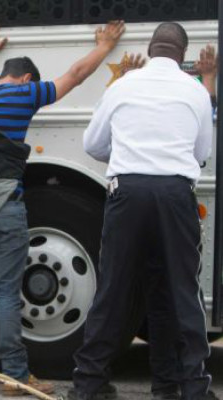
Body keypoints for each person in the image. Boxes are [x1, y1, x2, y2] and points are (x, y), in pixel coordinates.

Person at [0, 22, 124, 396]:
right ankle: (15, 376)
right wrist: (104, 46)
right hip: (5, 208)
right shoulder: (23, 95)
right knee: (4, 293)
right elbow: (75, 76)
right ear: (25, 79)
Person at [69, 22, 217, 400]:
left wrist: (128, 154)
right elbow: (201, 154)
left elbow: (93, 144)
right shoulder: (196, 91)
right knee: (180, 291)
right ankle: (184, 386)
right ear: (181, 55)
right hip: (174, 194)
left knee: (113, 289)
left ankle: (88, 384)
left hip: (127, 192)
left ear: (151, 51)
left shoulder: (122, 85)